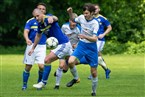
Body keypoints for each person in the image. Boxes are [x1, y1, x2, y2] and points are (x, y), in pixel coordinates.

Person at [28, 8, 73, 90]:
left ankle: (43, 82)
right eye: (35, 17)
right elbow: (38, 36)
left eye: (38, 16)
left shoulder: (47, 17)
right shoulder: (40, 25)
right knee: (73, 62)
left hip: (63, 44)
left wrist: (52, 18)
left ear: (42, 13)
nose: (37, 18)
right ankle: (77, 77)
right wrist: (32, 48)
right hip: (62, 45)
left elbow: (55, 18)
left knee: (47, 60)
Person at [66, 3, 99, 96]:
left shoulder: (95, 23)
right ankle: (76, 78)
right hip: (82, 45)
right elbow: (73, 19)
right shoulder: (81, 18)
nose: (85, 15)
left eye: (87, 13)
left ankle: (93, 92)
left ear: (92, 13)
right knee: (70, 61)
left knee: (93, 73)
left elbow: (95, 39)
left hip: (92, 48)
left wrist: (84, 36)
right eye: (84, 13)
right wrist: (70, 12)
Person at [22, 3, 48, 90]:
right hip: (31, 45)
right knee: (28, 66)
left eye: (43, 9)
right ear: (36, 10)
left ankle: (39, 84)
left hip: (42, 46)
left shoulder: (47, 21)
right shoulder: (30, 21)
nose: (41, 10)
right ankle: (24, 85)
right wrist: (27, 39)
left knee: (41, 66)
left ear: (45, 11)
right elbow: (26, 31)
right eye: (40, 8)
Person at [54, 13, 81, 89]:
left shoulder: (79, 29)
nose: (73, 24)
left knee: (68, 66)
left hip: (73, 50)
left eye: (75, 22)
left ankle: (76, 78)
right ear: (69, 20)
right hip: (64, 47)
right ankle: (57, 85)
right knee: (61, 66)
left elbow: (82, 39)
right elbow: (60, 36)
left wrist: (77, 45)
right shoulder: (64, 26)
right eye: (72, 22)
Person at [88, 4, 112, 79]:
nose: (95, 10)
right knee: (98, 57)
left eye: (96, 8)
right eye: (94, 8)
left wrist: (103, 34)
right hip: (92, 39)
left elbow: (109, 27)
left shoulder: (102, 18)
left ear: (99, 10)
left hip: (100, 40)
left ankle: (93, 74)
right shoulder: (90, 18)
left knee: (94, 55)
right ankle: (107, 70)